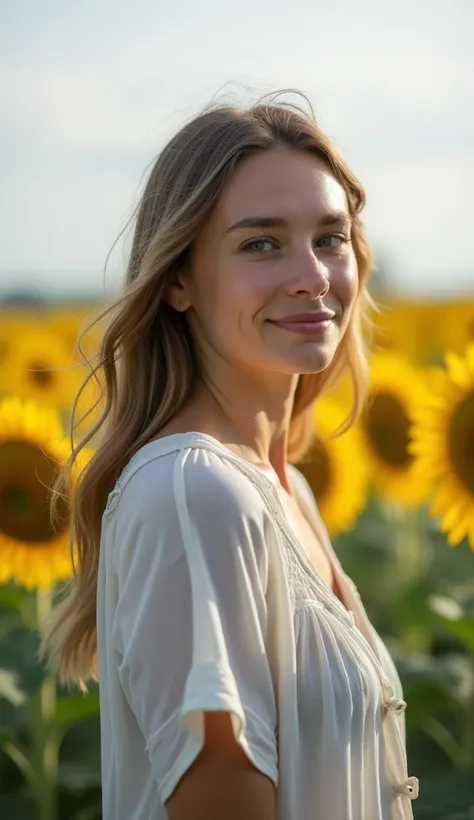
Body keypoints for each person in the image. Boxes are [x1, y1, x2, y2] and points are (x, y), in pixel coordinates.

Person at [40, 90, 419, 820]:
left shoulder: (284, 490)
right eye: (261, 243)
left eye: (330, 237)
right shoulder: (193, 495)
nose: (312, 274)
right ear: (177, 279)